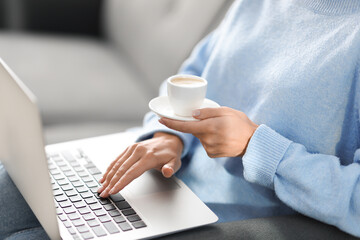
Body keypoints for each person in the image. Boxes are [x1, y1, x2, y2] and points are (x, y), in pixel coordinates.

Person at [1, 0, 360, 239]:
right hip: (165, 177)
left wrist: (257, 146)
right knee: (9, 185)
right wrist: (168, 136)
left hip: (228, 220)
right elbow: (198, 73)